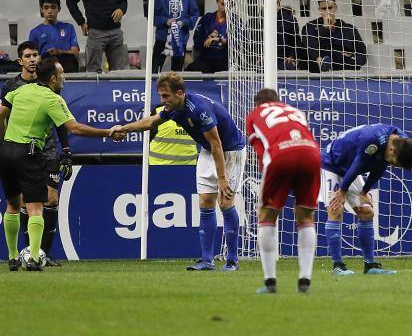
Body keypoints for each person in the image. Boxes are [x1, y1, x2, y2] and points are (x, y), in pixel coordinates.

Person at [111, 72, 247, 271]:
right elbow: (150, 122)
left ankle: (232, 261)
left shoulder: (199, 110)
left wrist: (222, 178)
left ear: (180, 93)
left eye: (166, 96)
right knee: (205, 202)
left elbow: (217, 143)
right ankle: (207, 260)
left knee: (225, 202)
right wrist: (124, 128)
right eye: (160, 96)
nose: (162, 100)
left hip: (230, 151)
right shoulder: (173, 108)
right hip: (209, 150)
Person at [1, 57, 113, 271]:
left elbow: (0, 115)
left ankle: (13, 256)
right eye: (62, 74)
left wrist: (4, 138)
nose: (64, 78)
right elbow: (75, 128)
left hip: (6, 152)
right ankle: (34, 258)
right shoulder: (52, 99)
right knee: (35, 207)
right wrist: (107, 132)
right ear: (53, 78)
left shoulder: (21, 91)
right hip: (29, 152)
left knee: (13, 205)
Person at [321, 123, 412, 275]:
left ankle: (370, 265)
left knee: (367, 212)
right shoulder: (372, 139)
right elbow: (359, 164)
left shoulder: (401, 141)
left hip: (349, 169)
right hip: (331, 163)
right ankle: (338, 266)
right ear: (392, 150)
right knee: (335, 210)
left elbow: (381, 166)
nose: (394, 165)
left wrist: (365, 191)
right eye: (395, 162)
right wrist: (341, 191)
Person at [247, 88, 320, 293]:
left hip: (281, 156)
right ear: (278, 101)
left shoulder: (254, 115)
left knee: (267, 214)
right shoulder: (295, 110)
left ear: (257, 104)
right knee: (305, 216)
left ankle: (270, 282)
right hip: (311, 154)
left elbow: (262, 152)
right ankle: (305, 280)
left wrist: (269, 187)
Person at [1, 44, 66, 267]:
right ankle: (30, 253)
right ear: (20, 61)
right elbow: (3, 115)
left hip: (46, 151)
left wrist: (65, 150)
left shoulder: (51, 85)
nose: (32, 59)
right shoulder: (13, 86)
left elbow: (61, 122)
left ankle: (40, 253)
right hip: (25, 150)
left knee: (50, 199)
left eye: (35, 55)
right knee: (27, 204)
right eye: (27, 56)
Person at [153, 0, 200, 73]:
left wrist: (183, 22)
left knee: (177, 72)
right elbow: (153, 17)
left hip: (180, 39)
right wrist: (166, 21)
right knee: (155, 70)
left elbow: (194, 15)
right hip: (162, 39)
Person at [302, 0, 367, 72]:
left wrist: (351, 57)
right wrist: (324, 27)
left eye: (330, 8)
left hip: (346, 71)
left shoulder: (349, 28)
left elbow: (363, 54)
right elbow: (311, 49)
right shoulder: (310, 27)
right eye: (323, 9)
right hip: (320, 73)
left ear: (335, 7)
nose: (327, 12)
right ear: (319, 9)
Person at [27, 0, 80, 74]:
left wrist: (59, 51)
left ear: (59, 9)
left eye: (53, 7)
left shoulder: (68, 27)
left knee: (69, 59)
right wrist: (46, 54)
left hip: (67, 62)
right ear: (41, 10)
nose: (50, 11)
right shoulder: (35, 32)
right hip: (46, 64)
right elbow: (32, 58)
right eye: (46, 7)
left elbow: (75, 52)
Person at [187, 0, 229, 73]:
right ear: (217, 1)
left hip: (225, 59)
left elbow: (239, 44)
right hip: (206, 58)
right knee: (190, 69)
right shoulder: (206, 18)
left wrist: (220, 39)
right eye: (223, 4)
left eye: (228, 5)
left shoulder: (236, 21)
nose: (225, 8)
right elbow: (197, 41)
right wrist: (206, 38)